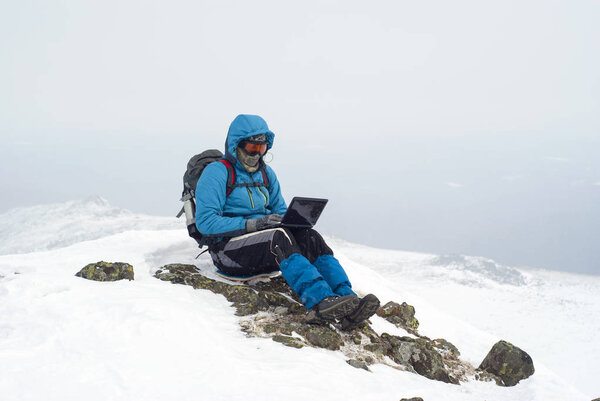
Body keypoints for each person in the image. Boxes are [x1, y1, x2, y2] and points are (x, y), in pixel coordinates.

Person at [195, 114, 380, 327]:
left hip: (261, 250)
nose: (256, 154)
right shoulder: (217, 173)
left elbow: (281, 212)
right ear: (236, 145)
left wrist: (294, 222)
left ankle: (347, 301)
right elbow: (206, 222)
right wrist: (253, 224)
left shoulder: (266, 174)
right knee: (278, 236)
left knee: (310, 237)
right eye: (251, 148)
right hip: (227, 253)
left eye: (262, 149)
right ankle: (319, 302)